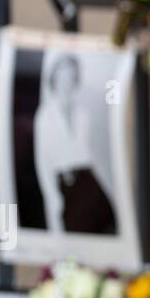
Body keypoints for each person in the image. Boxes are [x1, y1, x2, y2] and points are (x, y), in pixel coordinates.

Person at [32, 54, 116, 235]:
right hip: (65, 184)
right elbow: (43, 162)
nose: (66, 83)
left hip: (88, 182)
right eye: (62, 78)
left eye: (70, 78)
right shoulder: (45, 116)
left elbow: (94, 153)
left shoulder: (83, 114)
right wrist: (53, 198)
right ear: (54, 80)